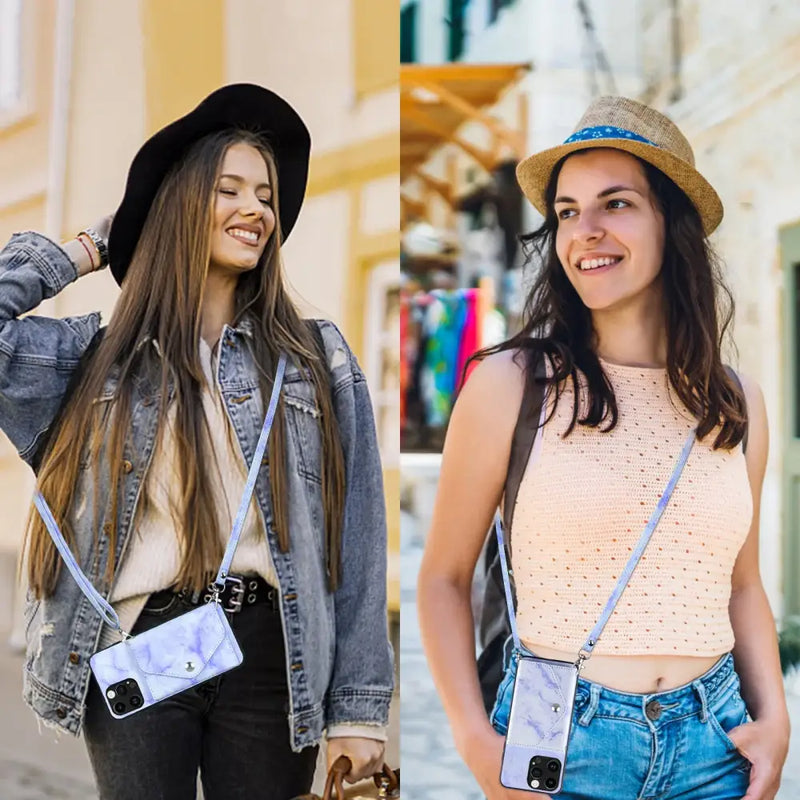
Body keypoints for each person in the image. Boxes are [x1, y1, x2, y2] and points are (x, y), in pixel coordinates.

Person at [1, 84, 393, 800]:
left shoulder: (314, 359)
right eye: (229, 190)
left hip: (276, 651)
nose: (257, 211)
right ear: (180, 205)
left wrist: (360, 710)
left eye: (267, 197)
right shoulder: (93, 363)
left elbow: (359, 538)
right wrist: (89, 247)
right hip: (140, 641)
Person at [417, 96, 790, 800]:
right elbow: (443, 576)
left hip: (716, 743)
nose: (584, 231)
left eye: (615, 204)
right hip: (560, 740)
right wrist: (474, 739)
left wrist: (776, 719)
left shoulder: (739, 402)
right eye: (565, 211)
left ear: (670, 222)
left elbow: (742, 586)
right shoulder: (509, 383)